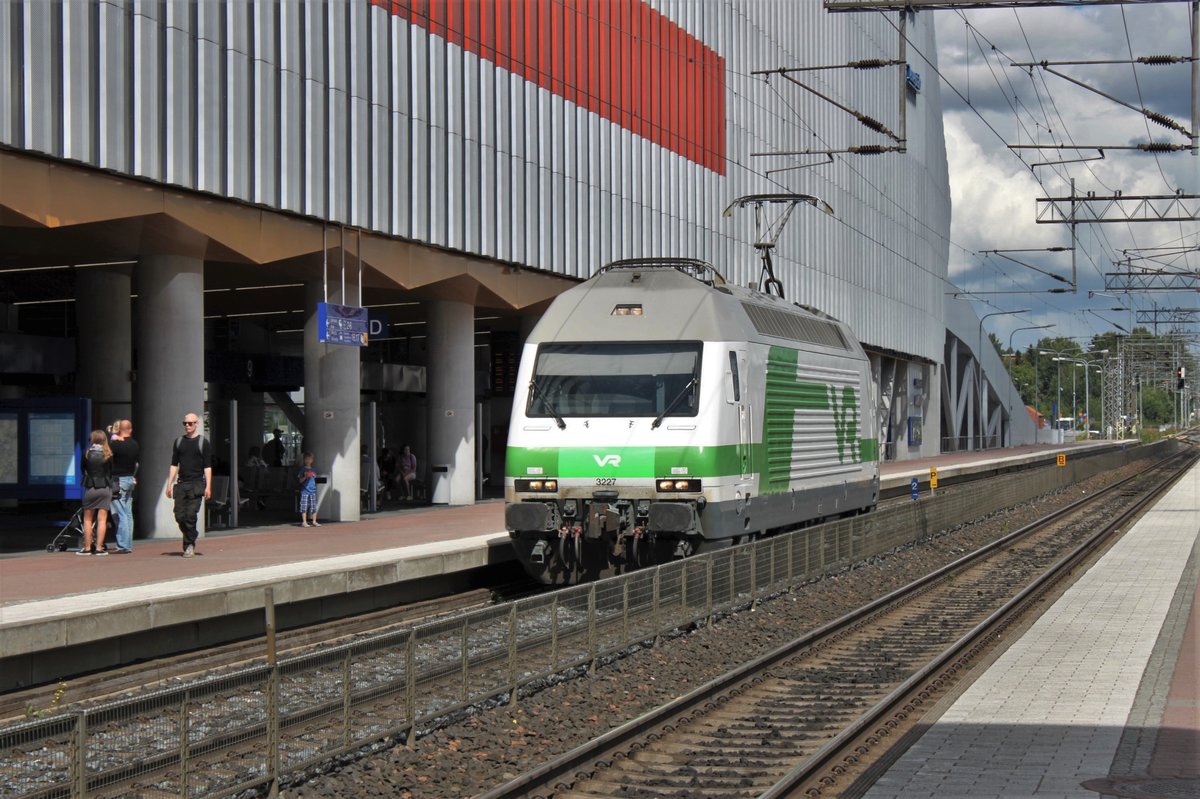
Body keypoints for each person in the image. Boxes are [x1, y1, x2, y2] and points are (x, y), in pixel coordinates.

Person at [166, 412, 212, 558]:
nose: (187, 426)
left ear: (196, 424)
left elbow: (207, 466)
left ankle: (189, 545)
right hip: (181, 484)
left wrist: (208, 486)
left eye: (190, 423)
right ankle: (192, 534)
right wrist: (169, 483)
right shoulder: (179, 442)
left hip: (197, 484)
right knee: (179, 516)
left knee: (191, 515)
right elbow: (174, 464)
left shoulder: (203, 442)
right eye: (185, 423)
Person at [79, 429, 114, 555]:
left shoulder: (87, 454)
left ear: (92, 440)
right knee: (102, 520)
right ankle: (99, 548)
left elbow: (82, 469)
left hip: (91, 487)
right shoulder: (108, 455)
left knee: (87, 520)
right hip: (105, 488)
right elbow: (111, 471)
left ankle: (87, 548)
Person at [109, 419, 139, 553]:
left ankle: (122, 545)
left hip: (118, 480)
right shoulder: (135, 444)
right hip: (129, 479)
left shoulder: (115, 445)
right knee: (127, 513)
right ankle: (128, 544)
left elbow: (107, 456)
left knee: (120, 513)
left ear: (119, 429)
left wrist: (113, 438)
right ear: (130, 430)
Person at [297, 451, 320, 527]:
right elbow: (300, 481)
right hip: (304, 491)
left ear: (312, 460)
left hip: (313, 490)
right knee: (304, 506)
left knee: (313, 506)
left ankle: (314, 521)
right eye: (306, 459)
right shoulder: (302, 470)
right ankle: (304, 521)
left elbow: (316, 480)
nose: (308, 461)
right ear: (304, 460)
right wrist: (305, 477)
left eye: (309, 459)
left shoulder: (314, 470)